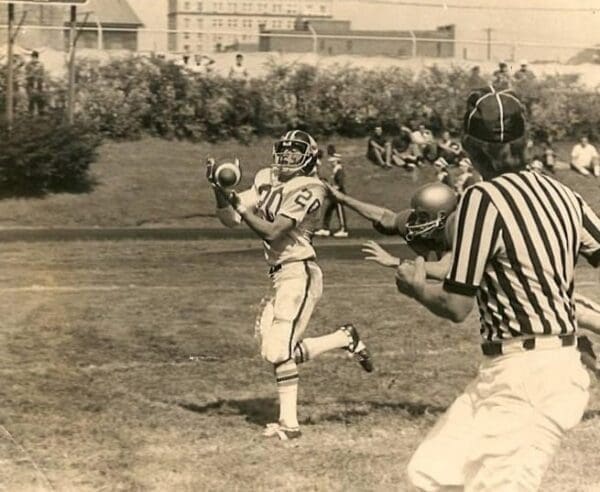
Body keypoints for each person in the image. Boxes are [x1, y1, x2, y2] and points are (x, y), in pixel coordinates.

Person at [394, 87, 600, 491]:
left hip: (528, 374)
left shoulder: (480, 199)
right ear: (525, 142)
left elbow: (457, 306)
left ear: (472, 149)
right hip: (524, 369)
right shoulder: (565, 195)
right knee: (431, 472)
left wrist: (416, 289)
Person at [207, 130, 373, 441]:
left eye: (294, 152)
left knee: (277, 350)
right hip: (280, 274)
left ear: (309, 157)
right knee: (274, 350)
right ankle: (344, 338)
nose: (285, 158)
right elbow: (231, 218)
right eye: (283, 150)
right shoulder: (267, 177)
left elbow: (273, 232)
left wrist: (243, 209)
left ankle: (290, 426)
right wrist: (219, 189)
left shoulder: (311, 187)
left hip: (300, 273)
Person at [314, 144, 349, 238]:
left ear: (337, 161)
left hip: (339, 194)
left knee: (339, 211)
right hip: (335, 194)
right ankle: (325, 228)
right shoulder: (335, 170)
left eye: (333, 161)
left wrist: (333, 189)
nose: (331, 163)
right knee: (328, 210)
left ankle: (343, 229)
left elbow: (340, 184)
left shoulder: (339, 170)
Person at [24, 50, 45, 115]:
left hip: (39, 82)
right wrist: (31, 75)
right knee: (31, 98)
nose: (34, 58)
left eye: (35, 57)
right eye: (33, 57)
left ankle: (40, 111)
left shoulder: (40, 64)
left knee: (39, 97)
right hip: (30, 82)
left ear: (37, 57)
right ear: (31, 57)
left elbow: (42, 74)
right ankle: (30, 112)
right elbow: (26, 73)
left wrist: (39, 78)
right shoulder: (28, 64)